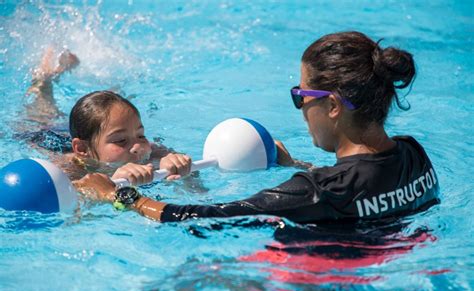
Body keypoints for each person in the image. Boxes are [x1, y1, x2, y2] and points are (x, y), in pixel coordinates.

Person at [74, 31, 440, 223]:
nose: (300, 109)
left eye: (301, 95)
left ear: (331, 106)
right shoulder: (414, 155)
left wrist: (117, 196)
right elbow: (361, 186)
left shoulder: (313, 191)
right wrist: (294, 165)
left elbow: (196, 217)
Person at [21, 48, 195, 185]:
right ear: (81, 148)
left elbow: (198, 189)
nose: (137, 147)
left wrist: (182, 170)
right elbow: (73, 210)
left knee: (109, 109)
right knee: (43, 115)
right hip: (50, 137)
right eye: (120, 141)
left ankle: (111, 93)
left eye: (141, 135)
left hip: (96, 133)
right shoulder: (69, 169)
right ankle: (43, 80)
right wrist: (113, 182)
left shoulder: (153, 152)